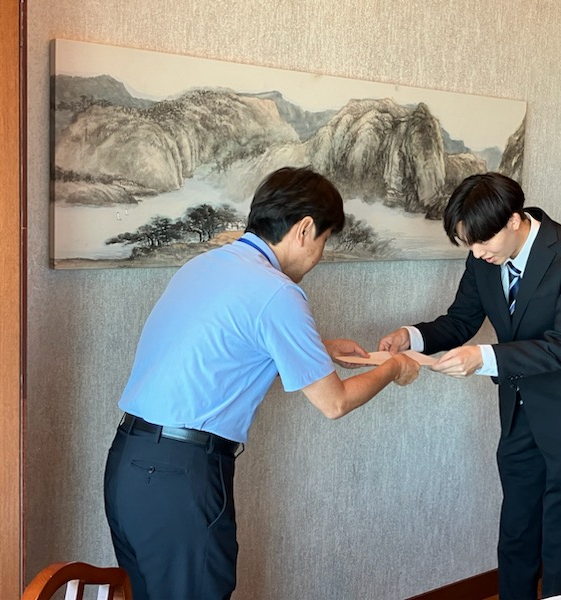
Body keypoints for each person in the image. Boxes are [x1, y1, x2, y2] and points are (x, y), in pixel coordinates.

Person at [104, 166, 420, 600]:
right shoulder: (277, 291)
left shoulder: (206, 264)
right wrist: (395, 367)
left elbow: (221, 345)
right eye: (325, 240)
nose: (320, 255)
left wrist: (318, 349)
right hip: (181, 477)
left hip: (129, 464)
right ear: (304, 229)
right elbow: (335, 403)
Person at [378, 172, 561, 600]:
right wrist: (409, 336)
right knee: (516, 532)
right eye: (468, 244)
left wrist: (483, 357)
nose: (476, 253)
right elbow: (460, 320)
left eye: (482, 241)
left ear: (513, 219)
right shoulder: (482, 259)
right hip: (519, 412)